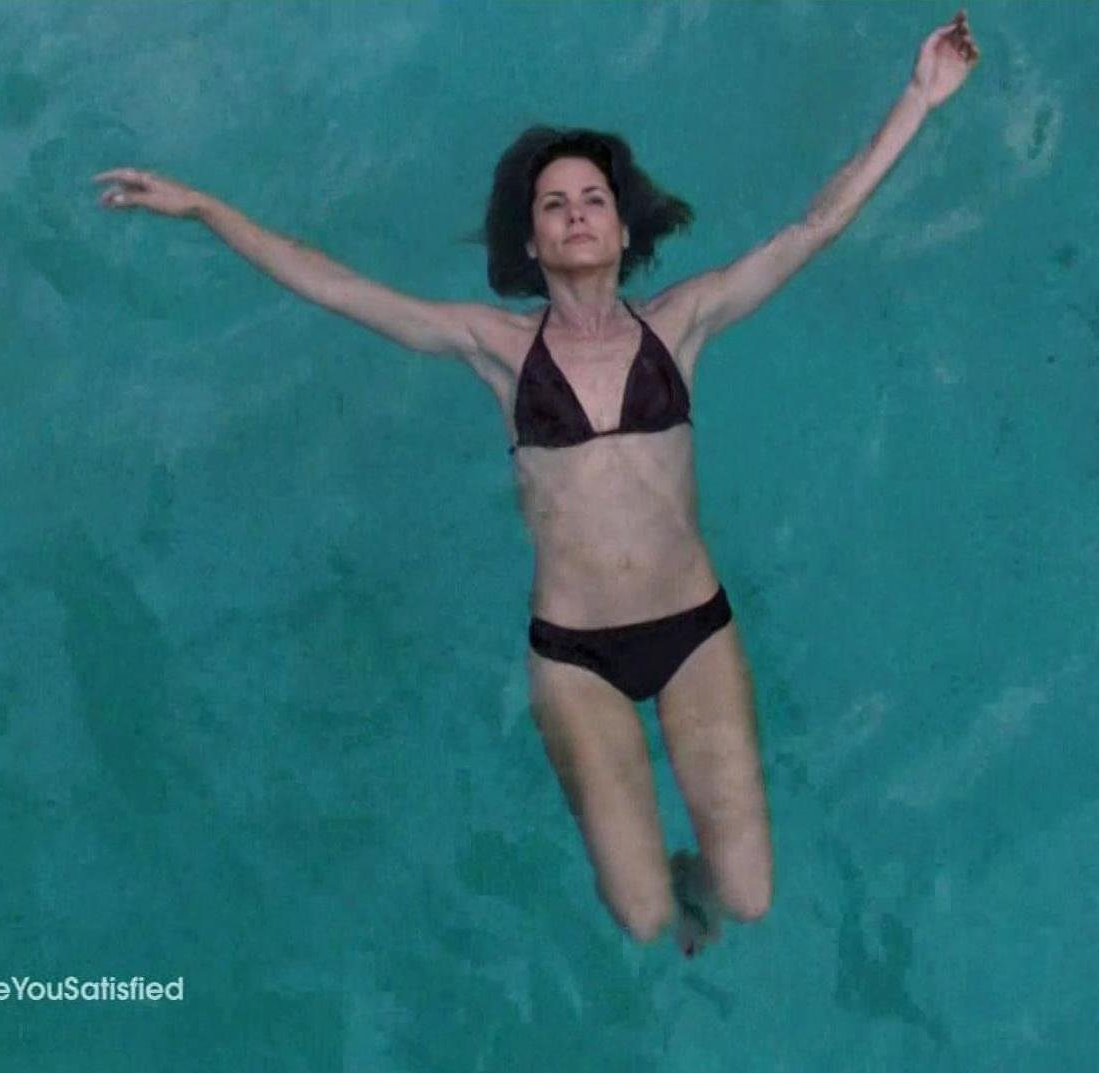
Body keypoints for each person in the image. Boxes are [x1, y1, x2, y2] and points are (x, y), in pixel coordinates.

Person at [94, 11, 980, 957]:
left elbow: (815, 224)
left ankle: (698, 873)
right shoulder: (499, 348)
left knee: (749, 897)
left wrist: (918, 98)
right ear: (533, 240)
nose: (577, 214)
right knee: (643, 917)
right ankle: (663, 882)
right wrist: (206, 209)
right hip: (575, 656)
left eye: (593, 198)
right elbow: (337, 287)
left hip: (694, 631)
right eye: (555, 205)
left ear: (623, 226)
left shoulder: (681, 322)